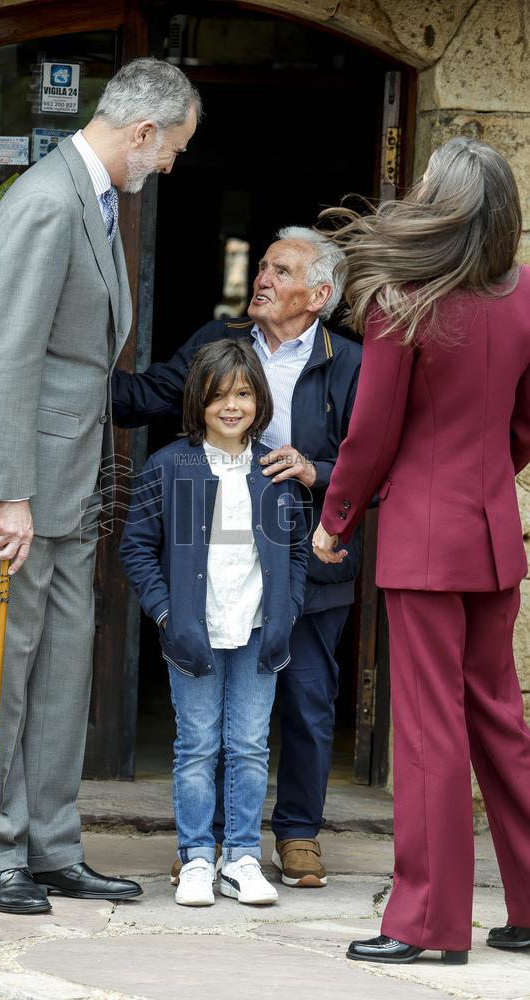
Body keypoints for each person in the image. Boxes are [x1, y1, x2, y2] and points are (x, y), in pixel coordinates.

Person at [0, 58, 201, 914]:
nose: (171, 164)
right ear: (144, 130)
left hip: (73, 479)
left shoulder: (97, 196)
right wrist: (10, 492)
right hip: (22, 482)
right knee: (7, 670)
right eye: (174, 148)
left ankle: (52, 847)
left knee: (63, 666)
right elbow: (6, 352)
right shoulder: (47, 200)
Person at [312, 137, 530, 964]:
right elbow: (524, 424)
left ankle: (426, 924)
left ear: (441, 205)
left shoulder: (402, 302)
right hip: (490, 534)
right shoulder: (523, 294)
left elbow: (369, 435)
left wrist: (336, 517)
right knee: (499, 722)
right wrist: (483, 481)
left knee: (429, 732)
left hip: (422, 539)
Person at [114, 227, 362, 888]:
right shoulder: (218, 342)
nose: (263, 279)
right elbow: (152, 396)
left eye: (280, 271)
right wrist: (74, 376)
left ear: (318, 295)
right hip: (219, 560)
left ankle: (298, 834)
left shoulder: (350, 362)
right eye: (263, 267)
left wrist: (316, 471)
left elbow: (374, 461)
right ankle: (209, 843)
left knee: (306, 700)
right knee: (209, 722)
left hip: (310, 553)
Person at [119, 340, 308, 906]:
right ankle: (198, 856)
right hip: (192, 633)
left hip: (258, 631)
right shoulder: (168, 467)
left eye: (244, 393)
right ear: (198, 401)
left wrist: (288, 608)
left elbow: (298, 551)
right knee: (197, 746)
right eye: (218, 394)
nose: (232, 406)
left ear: (260, 401)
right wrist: (166, 613)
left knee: (249, 747)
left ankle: (242, 857)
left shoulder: (275, 470)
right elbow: (136, 548)